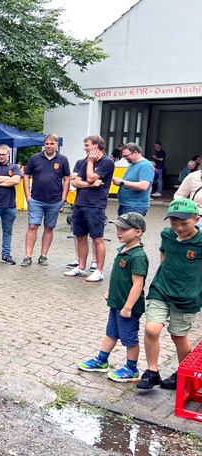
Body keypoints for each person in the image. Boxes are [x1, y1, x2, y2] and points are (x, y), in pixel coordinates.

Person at [136, 198, 202, 390]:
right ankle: (152, 372)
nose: (178, 228)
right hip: (161, 289)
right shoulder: (167, 234)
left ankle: (184, 373)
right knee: (151, 329)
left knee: (178, 336)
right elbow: (165, 255)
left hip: (188, 297)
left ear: (196, 218)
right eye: (174, 223)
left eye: (184, 223)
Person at [78, 212, 148, 383]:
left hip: (127, 307)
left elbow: (138, 285)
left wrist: (128, 307)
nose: (119, 232)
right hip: (117, 302)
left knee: (129, 338)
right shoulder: (123, 249)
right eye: (118, 229)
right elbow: (121, 279)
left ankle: (131, 369)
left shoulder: (138, 256)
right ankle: (102, 361)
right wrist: (113, 292)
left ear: (138, 232)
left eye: (124, 229)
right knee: (111, 333)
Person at [65, 135, 114, 282]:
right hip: (80, 203)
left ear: (96, 146)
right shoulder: (85, 161)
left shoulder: (107, 162)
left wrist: (91, 165)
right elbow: (76, 182)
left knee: (97, 238)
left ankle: (99, 271)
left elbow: (91, 176)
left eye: (87, 145)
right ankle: (81, 267)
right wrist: (90, 184)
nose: (84, 148)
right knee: (80, 237)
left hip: (95, 205)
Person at [21, 134, 70, 266]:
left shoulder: (63, 159)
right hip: (36, 199)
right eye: (47, 144)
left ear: (56, 144)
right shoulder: (35, 158)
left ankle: (43, 255)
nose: (49, 146)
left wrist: (63, 197)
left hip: (54, 200)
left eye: (52, 144)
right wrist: (27, 196)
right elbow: (26, 175)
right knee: (32, 226)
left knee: (49, 228)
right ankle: (28, 256)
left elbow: (67, 178)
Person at [112, 143, 153, 216]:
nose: (125, 158)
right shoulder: (131, 165)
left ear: (135, 153)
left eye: (126, 156)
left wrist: (122, 182)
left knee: (130, 227)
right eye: (123, 156)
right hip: (126, 205)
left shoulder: (145, 165)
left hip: (135, 207)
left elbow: (143, 186)